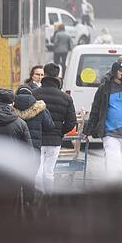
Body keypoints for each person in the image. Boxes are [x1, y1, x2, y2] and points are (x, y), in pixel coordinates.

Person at [83, 61, 122, 178]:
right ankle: (114, 191)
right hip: (109, 133)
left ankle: (116, 190)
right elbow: (95, 110)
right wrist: (87, 131)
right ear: (114, 72)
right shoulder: (104, 88)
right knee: (114, 165)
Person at [31, 63, 77, 194]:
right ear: (58, 76)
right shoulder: (66, 98)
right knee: (49, 172)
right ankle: (48, 198)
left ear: (44, 74)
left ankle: (38, 198)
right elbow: (71, 122)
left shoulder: (34, 94)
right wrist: (59, 132)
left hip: (37, 139)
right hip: (55, 141)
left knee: (37, 171)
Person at [13, 87, 54, 203]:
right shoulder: (40, 109)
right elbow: (49, 126)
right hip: (33, 149)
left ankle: (14, 205)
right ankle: (28, 203)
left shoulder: (11, 109)